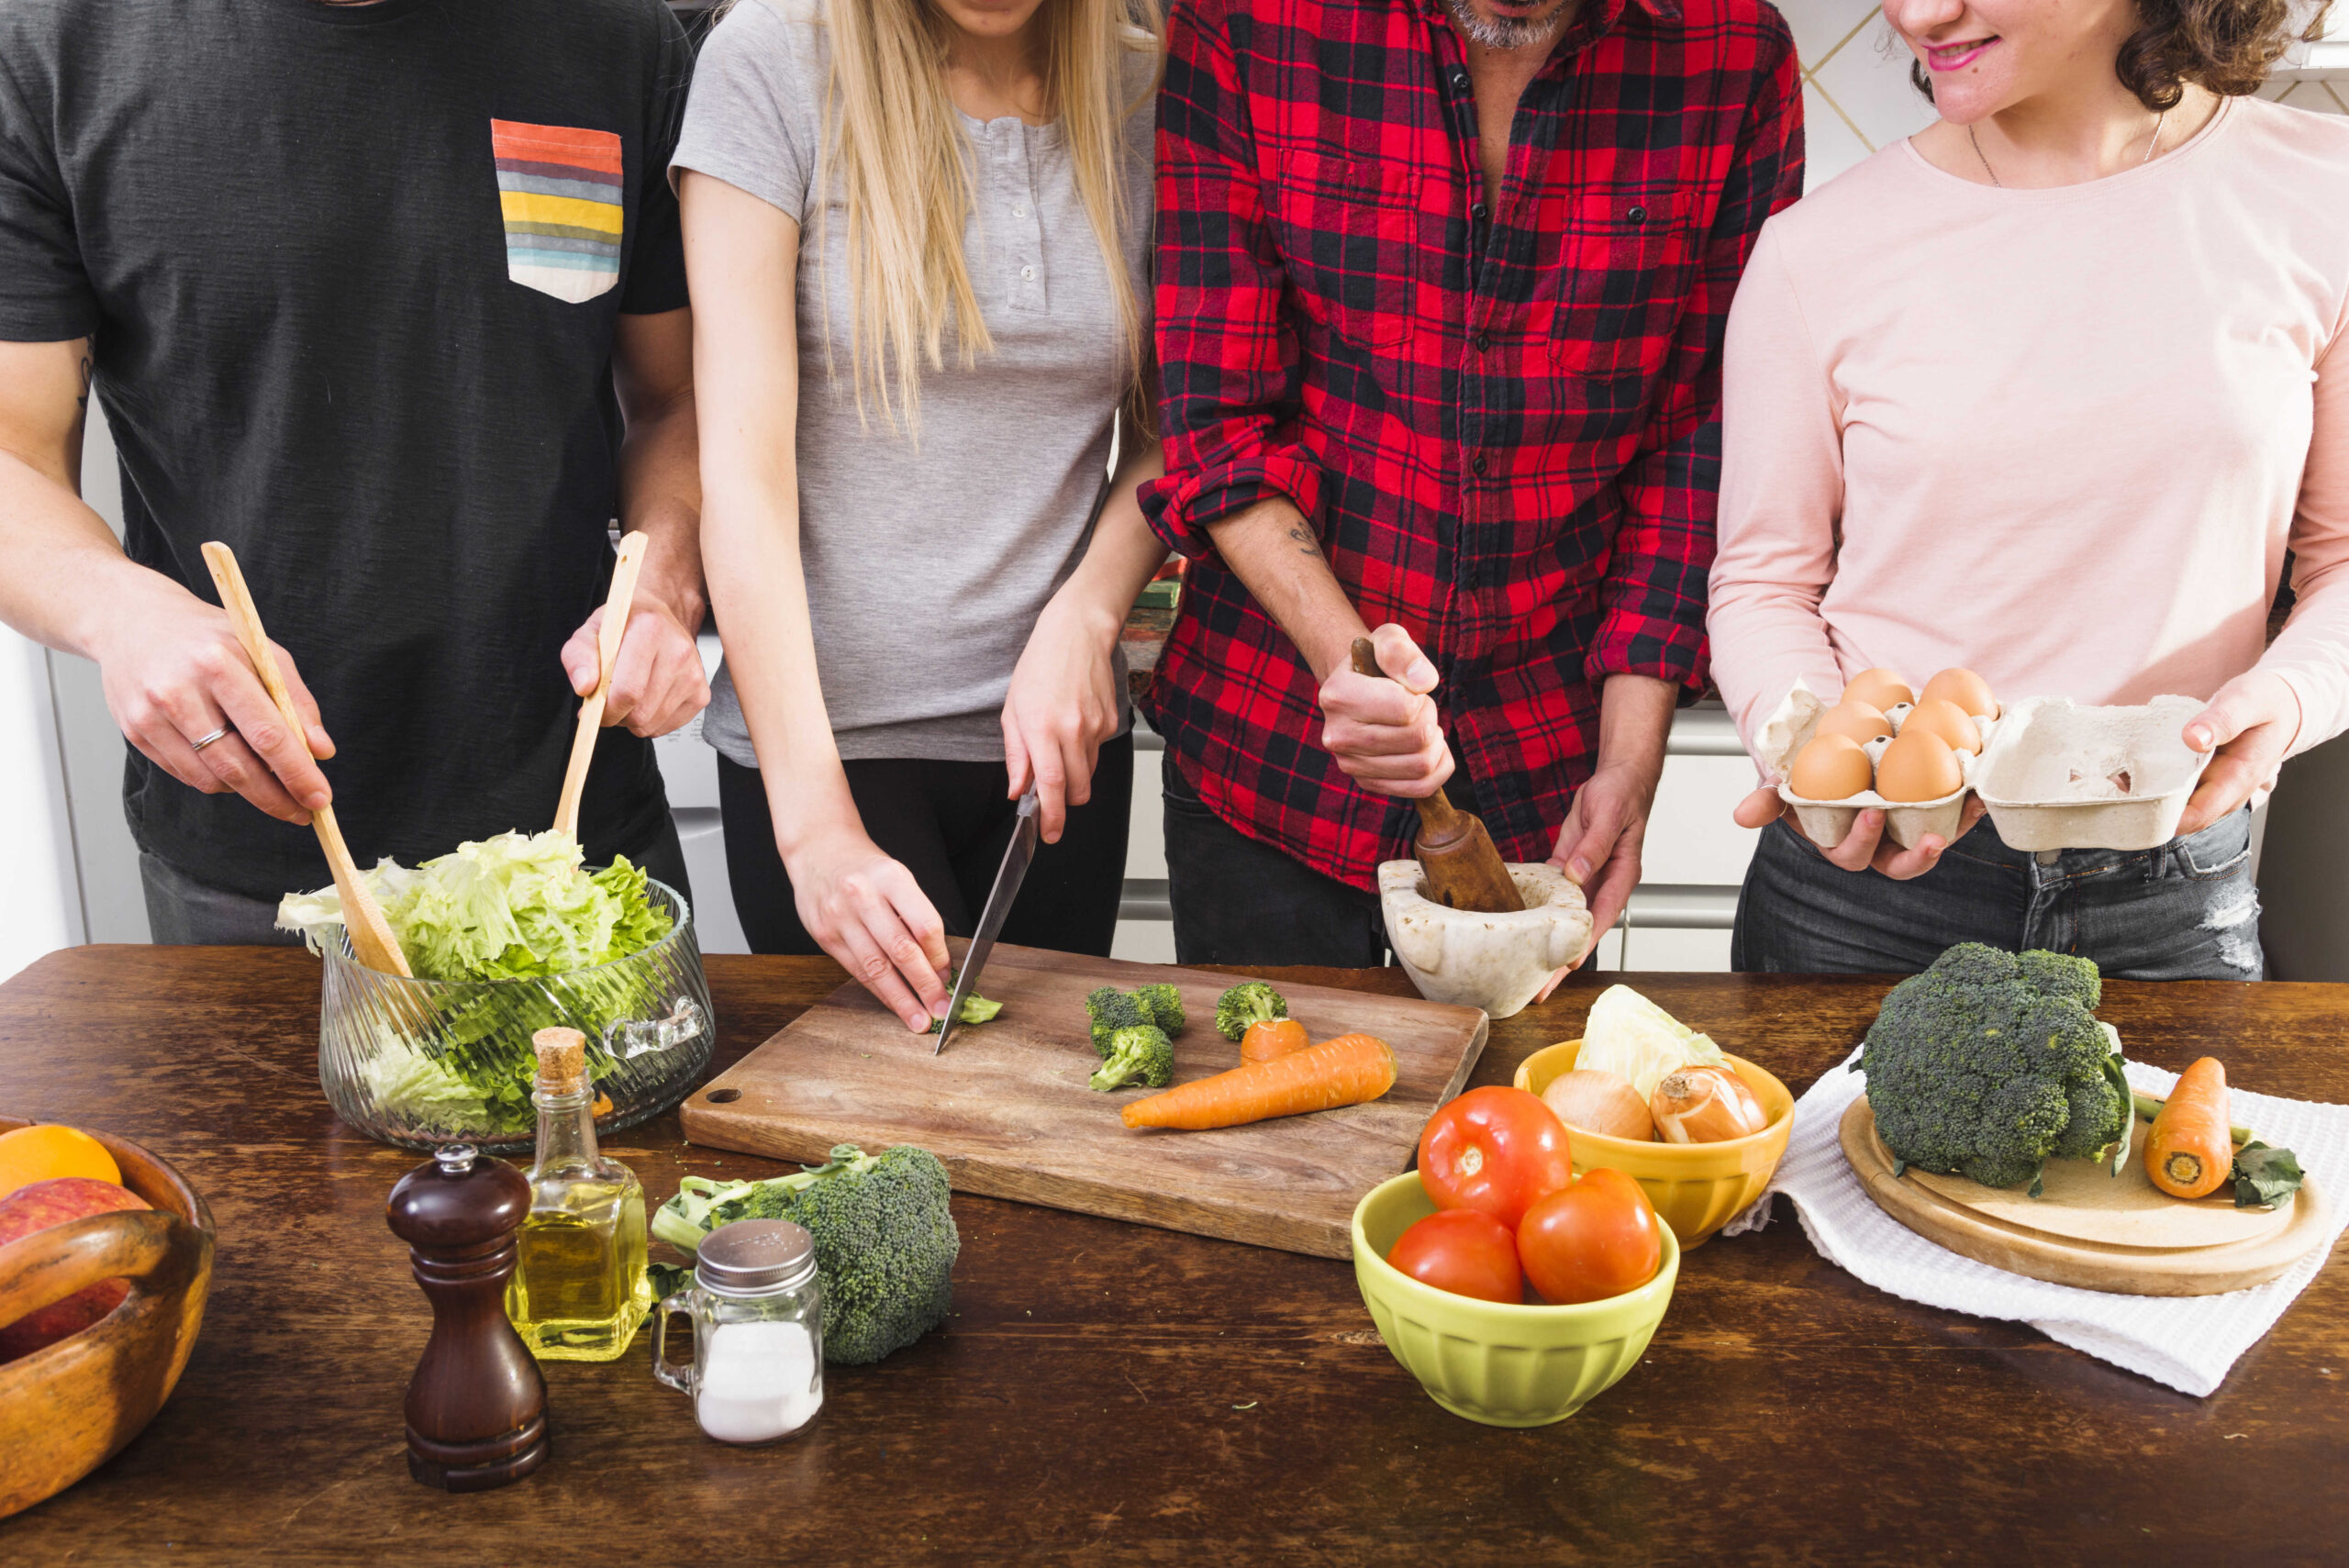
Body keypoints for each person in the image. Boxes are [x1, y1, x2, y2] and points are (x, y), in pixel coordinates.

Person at [0, 0, 712, 943]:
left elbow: (679, 402)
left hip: (575, 833)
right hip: (253, 863)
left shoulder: (617, 38)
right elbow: (13, 449)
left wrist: (659, 591)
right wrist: (121, 611)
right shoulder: (56, 47)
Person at [1141, 0, 1802, 971]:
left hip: (1550, 776)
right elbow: (1221, 418)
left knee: (1522, 1119)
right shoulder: (1247, 19)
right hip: (1268, 753)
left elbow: (1695, 443)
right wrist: (1353, 667)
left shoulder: (1730, 51)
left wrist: (1628, 761)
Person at [1709, 0, 2348, 978]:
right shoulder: (1815, 250)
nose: (1919, 13)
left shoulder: (2320, 191)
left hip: (2170, 885)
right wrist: (1808, 754)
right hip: (1864, 894)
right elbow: (1762, 581)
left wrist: (2287, 701)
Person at [678, 0, 1166, 1032]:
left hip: (1059, 750)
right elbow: (743, 476)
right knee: (866, 1164)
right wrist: (814, 831)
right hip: (828, 749)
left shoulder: (1149, 91)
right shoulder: (767, 64)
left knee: (1033, 1142)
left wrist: (1087, 615)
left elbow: (1183, 426)